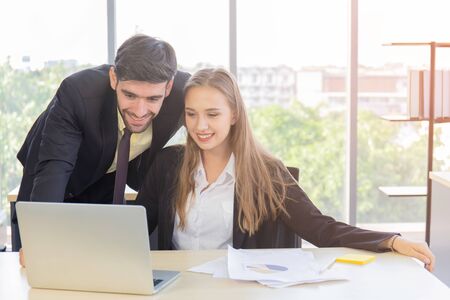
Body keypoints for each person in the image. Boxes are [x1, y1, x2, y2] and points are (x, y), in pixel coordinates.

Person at [135, 68, 435, 272]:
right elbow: (134, 229)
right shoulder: (168, 164)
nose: (200, 126)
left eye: (212, 114)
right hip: (176, 289)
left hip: (237, 292)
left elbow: (321, 228)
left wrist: (391, 241)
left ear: (234, 115)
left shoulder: (266, 172)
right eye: (192, 114)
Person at [14, 34, 190, 253]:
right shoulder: (78, 93)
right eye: (130, 95)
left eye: (153, 99)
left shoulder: (186, 93)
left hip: (107, 176)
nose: (139, 111)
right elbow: (54, 169)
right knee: (42, 260)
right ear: (114, 78)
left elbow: (219, 122)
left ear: (168, 87)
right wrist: (38, 239)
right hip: (51, 175)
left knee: (104, 257)